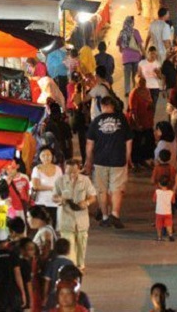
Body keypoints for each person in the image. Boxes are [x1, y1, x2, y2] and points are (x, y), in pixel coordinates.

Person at [84, 96, 132, 229]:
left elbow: (89, 143)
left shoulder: (96, 121)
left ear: (102, 106)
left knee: (102, 190)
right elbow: (128, 141)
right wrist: (127, 158)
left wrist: (88, 161)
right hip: (118, 159)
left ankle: (105, 216)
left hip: (100, 160)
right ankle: (115, 215)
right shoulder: (122, 120)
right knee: (117, 189)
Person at [53, 158, 97, 270]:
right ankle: (71, 267)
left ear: (79, 169)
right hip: (66, 219)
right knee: (69, 246)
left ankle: (81, 266)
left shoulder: (85, 180)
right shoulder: (59, 181)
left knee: (81, 246)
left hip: (81, 220)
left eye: (74, 172)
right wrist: (60, 199)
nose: (72, 175)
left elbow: (93, 196)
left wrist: (86, 202)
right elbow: (54, 197)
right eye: (69, 172)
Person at [0, 227, 27, 312]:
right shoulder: (13, 256)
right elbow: (18, 275)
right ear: (7, 241)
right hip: (13, 294)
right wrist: (23, 293)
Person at [127, 76, 155, 167]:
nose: (143, 83)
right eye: (140, 82)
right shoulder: (134, 93)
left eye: (144, 81)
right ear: (136, 82)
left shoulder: (147, 91)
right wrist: (137, 124)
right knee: (137, 143)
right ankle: (136, 161)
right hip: (138, 123)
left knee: (149, 141)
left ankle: (146, 159)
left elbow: (150, 103)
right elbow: (133, 111)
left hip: (147, 122)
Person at [31, 147, 64, 226]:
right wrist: (51, 188)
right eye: (43, 155)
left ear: (52, 156)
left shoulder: (58, 169)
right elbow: (35, 186)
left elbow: (61, 185)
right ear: (39, 157)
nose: (46, 157)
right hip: (41, 202)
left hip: (54, 202)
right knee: (43, 225)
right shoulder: (37, 169)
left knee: (53, 225)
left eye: (48, 155)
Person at [42, 238, 75, 310]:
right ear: (68, 250)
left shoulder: (51, 263)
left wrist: (45, 296)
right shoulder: (70, 264)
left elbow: (47, 281)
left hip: (53, 294)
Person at [117, 15, 146, 95]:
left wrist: (124, 52)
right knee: (135, 75)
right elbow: (140, 45)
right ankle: (135, 90)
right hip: (136, 57)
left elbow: (120, 46)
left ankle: (127, 91)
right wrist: (144, 54)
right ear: (132, 23)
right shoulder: (135, 32)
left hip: (126, 58)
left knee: (127, 75)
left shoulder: (122, 33)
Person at [154, 176, 176, 241]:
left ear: (159, 184)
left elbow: (154, 200)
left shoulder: (157, 192)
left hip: (159, 212)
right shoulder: (171, 193)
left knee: (159, 225)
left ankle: (159, 237)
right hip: (168, 212)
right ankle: (170, 235)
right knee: (169, 224)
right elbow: (173, 201)